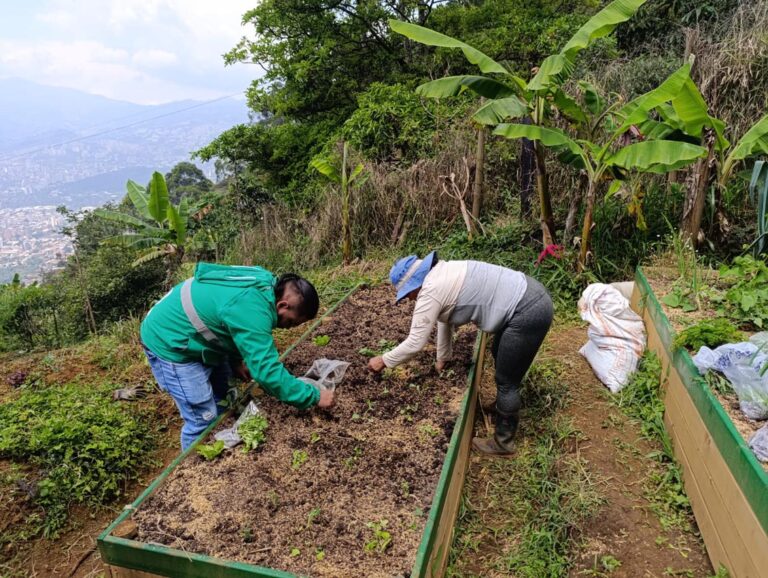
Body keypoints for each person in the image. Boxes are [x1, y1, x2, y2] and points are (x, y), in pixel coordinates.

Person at [367, 251, 553, 456]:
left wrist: (383, 360)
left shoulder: (430, 290)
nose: (410, 299)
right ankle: (504, 405)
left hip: (527, 311)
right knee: (498, 351)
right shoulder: (443, 273)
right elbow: (444, 317)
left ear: (415, 283)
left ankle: (503, 443)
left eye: (408, 293)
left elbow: (415, 343)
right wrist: (443, 357)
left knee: (506, 380)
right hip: (531, 292)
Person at [141, 262, 334, 450]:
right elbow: (267, 373)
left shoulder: (265, 283)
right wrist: (314, 396)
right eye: (291, 323)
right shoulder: (252, 310)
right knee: (203, 417)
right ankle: (193, 469)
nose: (288, 328)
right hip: (170, 342)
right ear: (283, 305)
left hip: (195, 332)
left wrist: (236, 360)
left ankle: (221, 437)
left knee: (225, 395)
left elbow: (230, 321)